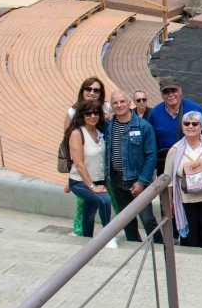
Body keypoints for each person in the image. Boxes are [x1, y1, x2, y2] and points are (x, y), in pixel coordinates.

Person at [104, 91, 159, 243]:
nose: (119, 105)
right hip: (116, 180)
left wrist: (141, 182)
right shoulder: (108, 126)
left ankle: (161, 247)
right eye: (115, 103)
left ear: (129, 103)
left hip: (137, 181)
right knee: (126, 220)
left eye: (122, 102)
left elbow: (151, 156)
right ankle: (133, 245)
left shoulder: (144, 127)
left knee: (148, 219)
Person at [163, 110, 202, 249]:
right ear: (182, 127)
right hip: (185, 200)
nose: (191, 126)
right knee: (190, 239)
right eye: (186, 123)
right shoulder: (175, 150)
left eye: (195, 123)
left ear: (201, 127)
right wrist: (170, 202)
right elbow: (168, 178)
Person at [64, 102, 116, 247]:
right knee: (104, 200)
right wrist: (92, 186)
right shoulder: (77, 133)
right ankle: (109, 236)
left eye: (96, 113)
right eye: (88, 113)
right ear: (82, 115)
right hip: (80, 182)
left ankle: (87, 242)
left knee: (89, 212)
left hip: (99, 180)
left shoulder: (99, 132)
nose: (92, 116)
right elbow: (79, 164)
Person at [65, 77, 111, 236]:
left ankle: (86, 239)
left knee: (89, 212)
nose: (92, 93)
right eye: (88, 89)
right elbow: (73, 154)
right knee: (102, 201)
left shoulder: (101, 124)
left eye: (96, 90)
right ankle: (106, 237)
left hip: (100, 177)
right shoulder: (76, 128)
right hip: (83, 179)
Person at [147, 77, 202, 177]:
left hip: (192, 161)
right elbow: (151, 141)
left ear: (180, 91)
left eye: (173, 90)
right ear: (161, 95)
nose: (170, 95)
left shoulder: (195, 109)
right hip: (166, 163)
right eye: (166, 92)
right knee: (167, 191)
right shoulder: (154, 113)